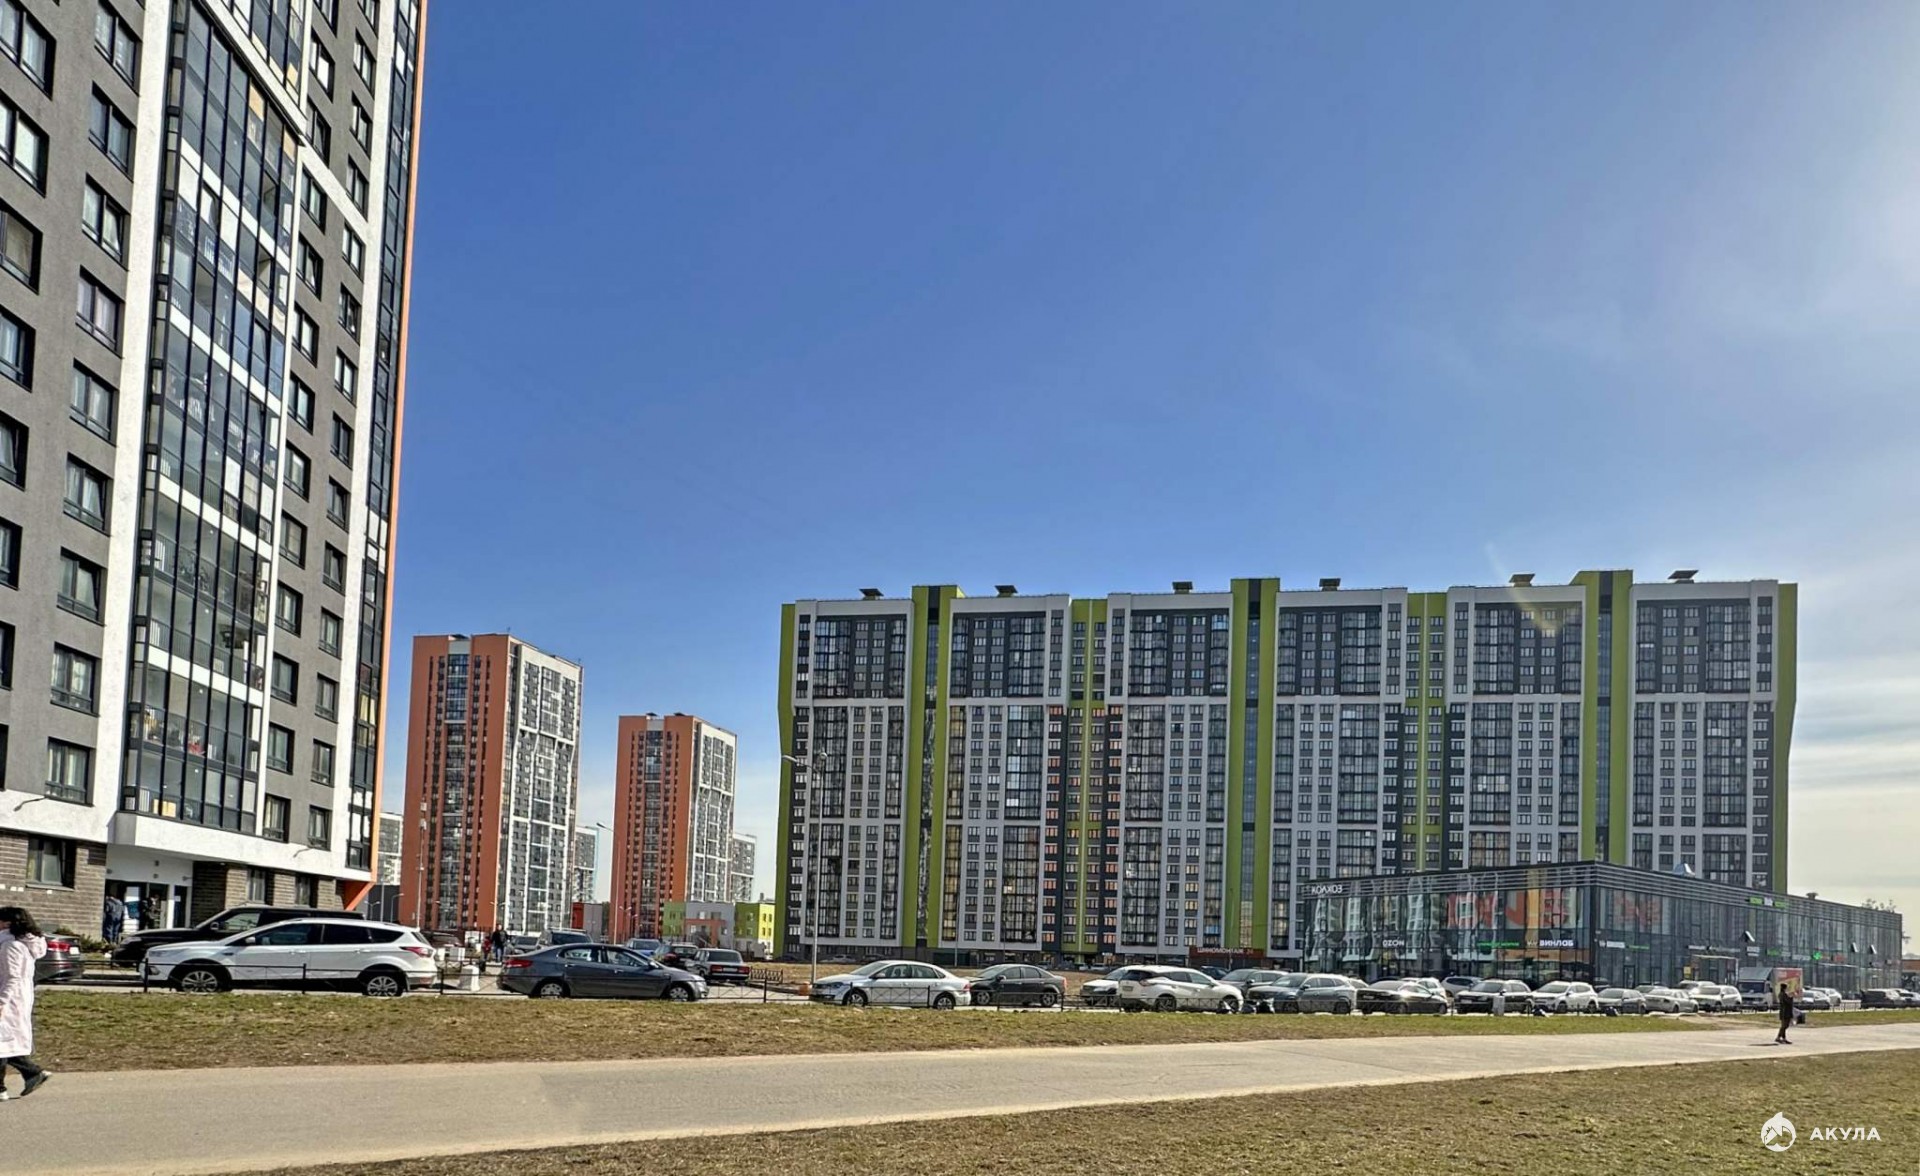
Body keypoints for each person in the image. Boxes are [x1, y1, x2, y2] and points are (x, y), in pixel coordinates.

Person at [0, 906, 51, 1100]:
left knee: (3, 1043)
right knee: (6, 1042)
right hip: (17, 997)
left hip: (10, 998)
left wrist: (2, 1002)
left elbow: (12, 977)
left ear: (7, 923)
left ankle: (9, 1084)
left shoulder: (10, 945)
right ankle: (31, 1073)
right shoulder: (20, 944)